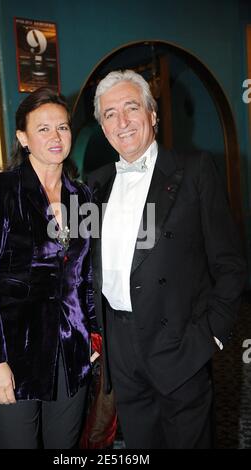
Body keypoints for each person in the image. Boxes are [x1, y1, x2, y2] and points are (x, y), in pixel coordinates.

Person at [88, 69, 247, 449]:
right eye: (109, 114)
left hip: (179, 341)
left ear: (153, 115)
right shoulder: (95, 183)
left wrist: (211, 335)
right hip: (120, 347)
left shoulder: (194, 171)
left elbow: (230, 263)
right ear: (103, 127)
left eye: (131, 108)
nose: (122, 122)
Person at [0, 87, 100, 449]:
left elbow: (86, 276)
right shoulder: (0, 190)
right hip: (12, 353)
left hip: (71, 354)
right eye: (43, 129)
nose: (56, 137)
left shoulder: (83, 197)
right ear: (23, 137)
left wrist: (93, 336)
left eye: (63, 127)